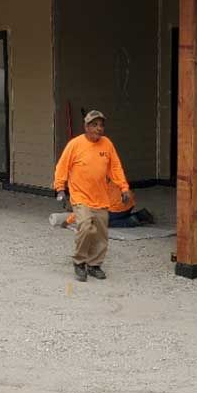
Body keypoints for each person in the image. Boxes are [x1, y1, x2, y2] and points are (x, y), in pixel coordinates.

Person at [53, 109, 130, 281]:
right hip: (81, 196)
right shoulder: (75, 144)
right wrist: (60, 189)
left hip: (101, 197)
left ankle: (94, 265)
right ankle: (79, 262)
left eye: (101, 125)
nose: (99, 128)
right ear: (86, 127)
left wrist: (123, 188)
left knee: (101, 234)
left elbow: (115, 167)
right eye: (94, 125)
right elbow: (62, 167)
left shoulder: (107, 144)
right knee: (86, 226)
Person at [56, 181, 154, 229]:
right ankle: (142, 214)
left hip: (118, 207)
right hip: (129, 203)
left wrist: (67, 222)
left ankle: (131, 221)